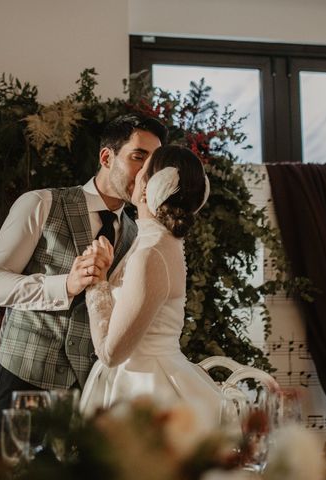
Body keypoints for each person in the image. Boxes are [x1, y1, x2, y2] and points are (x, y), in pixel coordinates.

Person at [0, 113, 168, 425]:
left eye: (153, 163)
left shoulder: (137, 234)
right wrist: (66, 284)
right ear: (107, 157)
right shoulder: (40, 203)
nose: (147, 172)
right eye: (138, 157)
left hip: (89, 393)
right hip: (23, 382)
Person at [79, 144, 224, 427]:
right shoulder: (157, 242)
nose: (136, 173)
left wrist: (96, 283)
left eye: (143, 169)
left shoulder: (152, 253)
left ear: (149, 187)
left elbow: (111, 353)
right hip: (146, 374)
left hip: (143, 388)